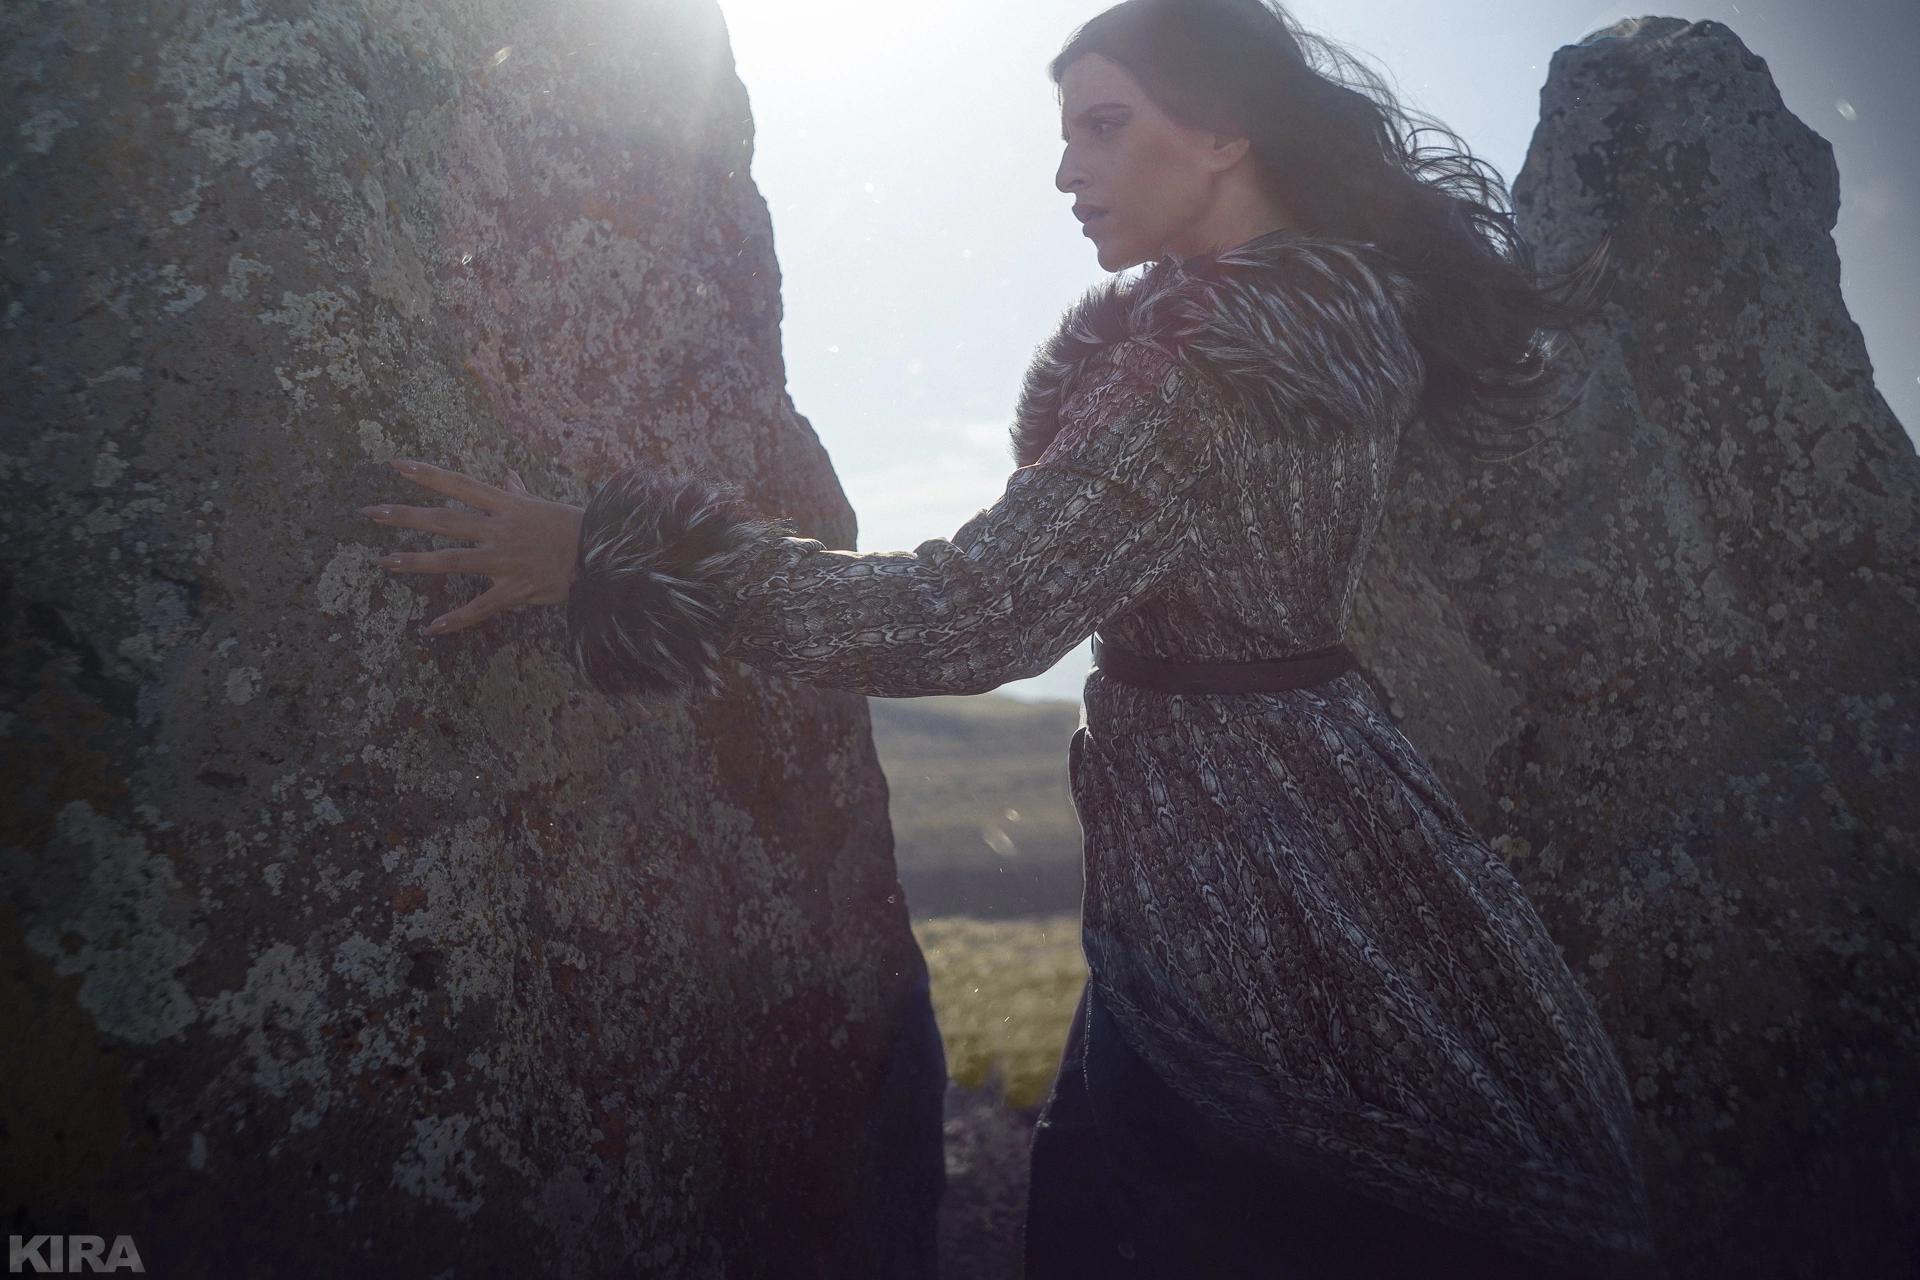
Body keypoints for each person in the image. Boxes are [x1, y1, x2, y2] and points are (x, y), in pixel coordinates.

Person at [360, 0, 1657, 1273]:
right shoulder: (1328, 321)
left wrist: (625, 557)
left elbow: (969, 613)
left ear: (1224, 134)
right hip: (1344, 807)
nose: (1066, 170)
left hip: (1228, 871)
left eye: (1105, 125)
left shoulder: (1196, 370)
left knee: (1155, 1211)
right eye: (1067, 131)